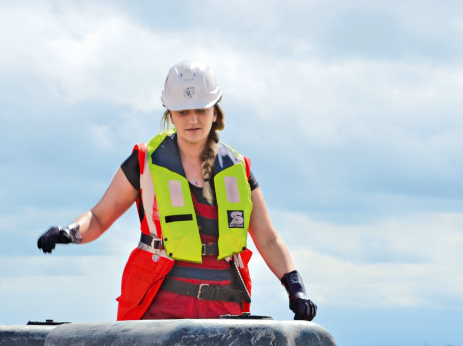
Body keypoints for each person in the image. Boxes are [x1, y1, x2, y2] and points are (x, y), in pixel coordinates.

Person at [37, 60, 316, 322]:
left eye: (201, 110)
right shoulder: (144, 162)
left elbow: (267, 238)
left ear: (215, 112)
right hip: (158, 313)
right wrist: (69, 232)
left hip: (224, 313)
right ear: (170, 114)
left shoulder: (238, 169)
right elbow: (98, 218)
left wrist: (295, 286)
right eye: (183, 111)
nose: (192, 119)